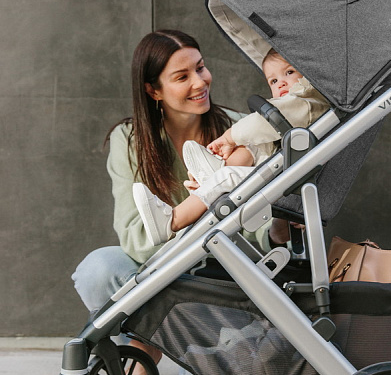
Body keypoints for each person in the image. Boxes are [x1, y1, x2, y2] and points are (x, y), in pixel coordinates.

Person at [72, 30, 288, 375]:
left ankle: (155, 339)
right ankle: (152, 340)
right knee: (98, 270)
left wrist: (277, 225)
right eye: (182, 76)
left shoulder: (243, 131)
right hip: (161, 270)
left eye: (201, 68)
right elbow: (136, 239)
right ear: (154, 90)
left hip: (218, 284)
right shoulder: (130, 140)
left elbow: (257, 238)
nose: (200, 82)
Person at [132, 48, 330, 245]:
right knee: (252, 145)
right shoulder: (130, 138)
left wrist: (229, 138)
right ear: (154, 91)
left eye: (289, 72)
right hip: (282, 171)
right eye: (273, 81)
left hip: (286, 182)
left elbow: (260, 124)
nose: (282, 83)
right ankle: (217, 171)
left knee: (226, 176)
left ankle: (171, 222)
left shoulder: (307, 102)